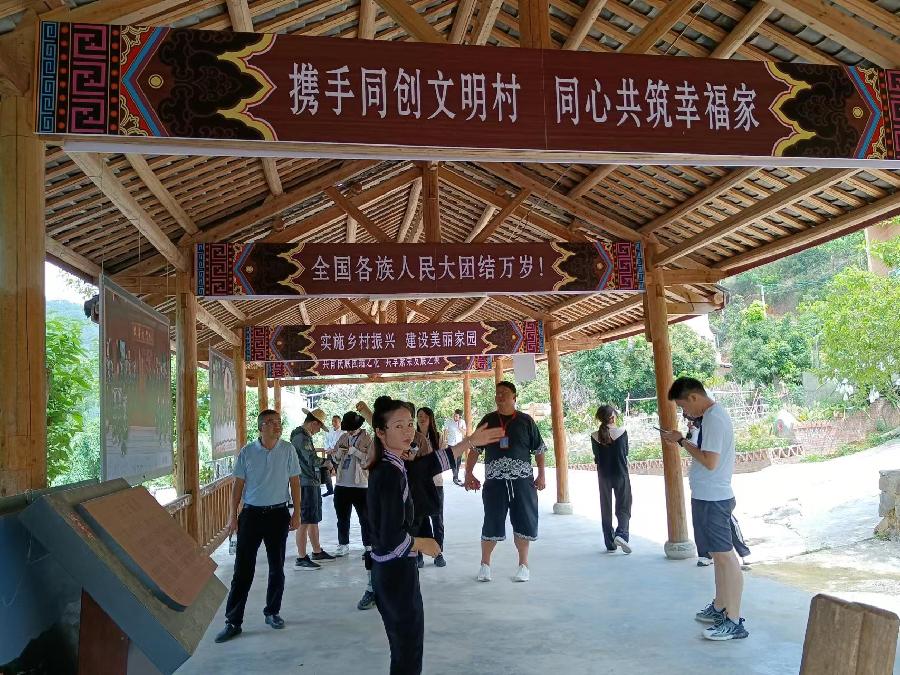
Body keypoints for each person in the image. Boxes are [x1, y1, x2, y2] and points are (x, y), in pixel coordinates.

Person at [366, 397, 502, 674]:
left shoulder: (396, 464)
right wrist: (421, 543)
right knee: (407, 647)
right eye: (398, 426)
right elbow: (390, 538)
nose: (408, 431)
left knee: (406, 646)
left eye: (410, 424)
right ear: (380, 432)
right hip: (393, 571)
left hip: (394, 570)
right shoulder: (388, 473)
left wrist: (469, 441)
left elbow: (427, 466)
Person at [661, 377, 749, 641]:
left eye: (683, 406)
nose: (684, 412)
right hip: (706, 497)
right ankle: (720, 607)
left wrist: (681, 441)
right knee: (717, 556)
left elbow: (710, 461)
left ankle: (734, 620)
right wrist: (685, 438)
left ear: (694, 398)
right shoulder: (708, 418)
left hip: (714, 498)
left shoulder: (715, 419)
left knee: (726, 558)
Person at [215, 409, 301, 643]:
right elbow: (237, 486)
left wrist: (297, 512)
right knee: (243, 570)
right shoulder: (247, 452)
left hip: (278, 514)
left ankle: (272, 612)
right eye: (271, 422)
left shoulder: (288, 450)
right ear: (261, 427)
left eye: (279, 422)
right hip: (251, 515)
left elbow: (295, 482)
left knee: (277, 567)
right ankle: (233, 621)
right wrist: (233, 516)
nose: (277, 425)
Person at [465, 381, 547, 583]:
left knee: (524, 520)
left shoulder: (526, 421)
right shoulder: (488, 420)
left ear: (514, 397)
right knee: (491, 520)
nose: (499, 396)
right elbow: (475, 449)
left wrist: (542, 475)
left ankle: (523, 565)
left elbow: (539, 450)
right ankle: (485, 565)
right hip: (495, 483)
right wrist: (468, 473)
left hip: (522, 482)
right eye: (497, 393)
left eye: (504, 393)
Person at [686, 415, 752, 570]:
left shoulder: (714, 422)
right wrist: (692, 433)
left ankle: (743, 552)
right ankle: (705, 554)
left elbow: (709, 459)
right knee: (700, 523)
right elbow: (693, 447)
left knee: (728, 523)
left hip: (718, 490)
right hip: (700, 487)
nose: (687, 415)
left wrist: (683, 441)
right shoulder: (699, 426)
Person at [290, 408, 335, 570]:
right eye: (319, 427)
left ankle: (317, 551)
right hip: (305, 482)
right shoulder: (301, 436)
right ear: (314, 423)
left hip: (311, 482)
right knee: (305, 520)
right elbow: (311, 459)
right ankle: (301, 557)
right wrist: (327, 463)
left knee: (313, 519)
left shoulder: (304, 435)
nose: (318, 431)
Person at [591, 405, 633, 554]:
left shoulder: (594, 436)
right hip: (621, 474)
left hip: (604, 476)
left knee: (606, 507)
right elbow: (625, 452)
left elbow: (597, 457)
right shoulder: (622, 432)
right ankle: (621, 533)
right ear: (613, 417)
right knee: (624, 505)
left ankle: (609, 542)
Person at [415, 406, 447, 568]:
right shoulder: (412, 436)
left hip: (436, 483)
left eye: (424, 416)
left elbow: (442, 459)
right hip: (418, 484)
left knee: (437, 519)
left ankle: (438, 553)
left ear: (430, 419)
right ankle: (418, 554)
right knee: (419, 519)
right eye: (419, 416)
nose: (421, 419)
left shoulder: (438, 437)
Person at [442, 409, 467, 486]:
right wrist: (445, 440)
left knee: (458, 461)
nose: (455, 417)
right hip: (451, 444)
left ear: (460, 416)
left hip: (459, 444)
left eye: (456, 416)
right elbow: (445, 431)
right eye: (454, 415)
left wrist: (459, 427)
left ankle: (456, 476)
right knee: (454, 461)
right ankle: (455, 478)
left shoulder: (462, 422)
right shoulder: (449, 421)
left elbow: (464, 433)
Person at [321, 414, 343, 497]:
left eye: (335, 421)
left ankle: (339, 490)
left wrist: (333, 450)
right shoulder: (329, 431)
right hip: (329, 454)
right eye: (332, 421)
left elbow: (341, 444)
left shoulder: (343, 432)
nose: (333, 423)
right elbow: (326, 441)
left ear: (340, 422)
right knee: (326, 470)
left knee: (339, 472)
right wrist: (327, 449)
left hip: (338, 454)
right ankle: (330, 490)